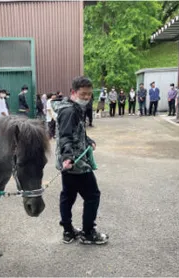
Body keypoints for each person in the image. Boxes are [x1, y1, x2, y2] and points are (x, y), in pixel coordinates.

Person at [54, 76, 109, 245]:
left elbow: (77, 132)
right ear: (73, 92)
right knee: (92, 195)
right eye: (83, 94)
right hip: (75, 163)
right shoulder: (69, 111)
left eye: (89, 94)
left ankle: (68, 231)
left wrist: (88, 139)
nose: (87, 97)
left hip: (71, 162)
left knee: (68, 196)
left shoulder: (74, 107)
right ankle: (88, 232)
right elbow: (65, 136)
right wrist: (68, 157)